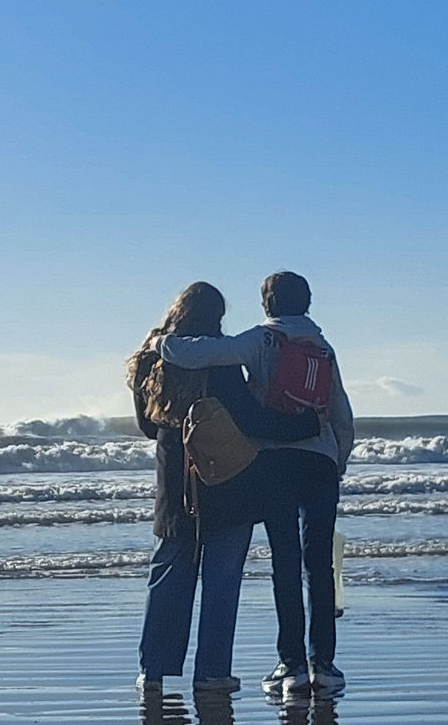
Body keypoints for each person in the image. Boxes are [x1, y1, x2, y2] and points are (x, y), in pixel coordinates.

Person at [150, 271, 354, 697]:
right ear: (308, 302)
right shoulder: (322, 346)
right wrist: (338, 460)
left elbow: (200, 354)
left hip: (275, 465)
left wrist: (161, 344)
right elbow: (341, 411)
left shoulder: (261, 339)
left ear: (267, 304)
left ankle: (292, 666)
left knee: (285, 563)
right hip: (320, 462)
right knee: (319, 564)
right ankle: (325, 665)